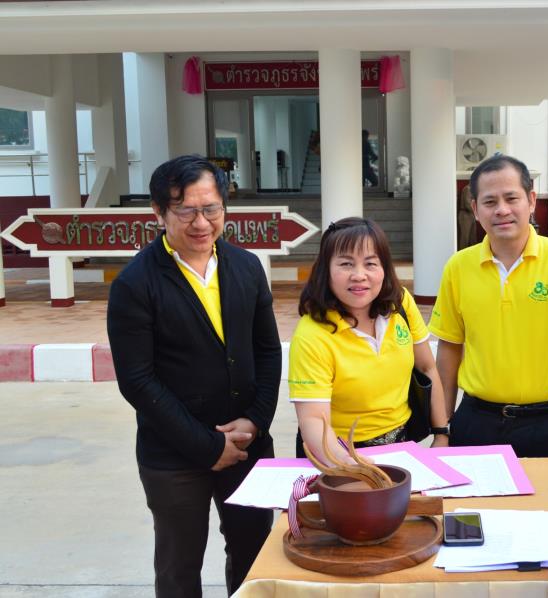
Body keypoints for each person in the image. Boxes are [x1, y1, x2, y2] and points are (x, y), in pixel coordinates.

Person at [107, 155, 281, 598]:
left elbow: (267, 350)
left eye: (211, 208)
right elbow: (137, 381)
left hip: (247, 446)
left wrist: (256, 420)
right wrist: (207, 446)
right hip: (174, 456)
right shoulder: (135, 284)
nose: (201, 223)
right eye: (185, 211)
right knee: (178, 569)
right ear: (158, 212)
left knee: (254, 559)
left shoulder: (246, 267)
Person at [429, 154, 548, 458]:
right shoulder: (458, 267)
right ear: (475, 209)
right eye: (489, 202)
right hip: (474, 421)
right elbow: (449, 348)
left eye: (511, 198)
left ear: (531, 200)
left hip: (545, 421)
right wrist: (442, 427)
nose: (502, 210)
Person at [288, 217, 449, 463]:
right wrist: (352, 466)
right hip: (337, 452)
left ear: (384, 268)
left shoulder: (400, 303)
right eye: (346, 264)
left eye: (371, 263)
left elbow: (427, 367)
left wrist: (441, 434)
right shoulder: (312, 335)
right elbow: (313, 421)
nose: (359, 275)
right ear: (325, 271)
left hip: (402, 444)